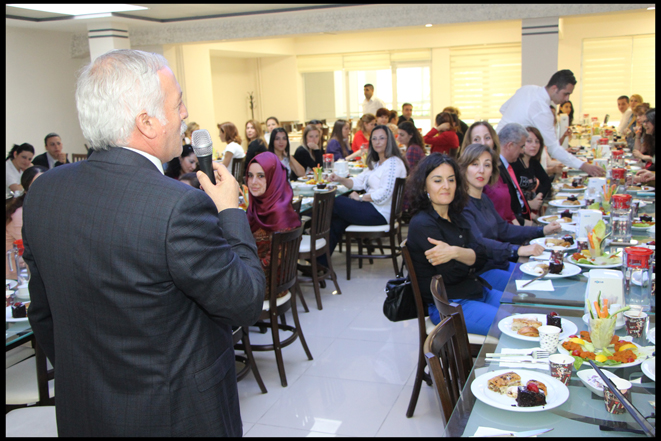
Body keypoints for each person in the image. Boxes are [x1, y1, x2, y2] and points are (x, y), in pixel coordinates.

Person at [21, 49, 265, 437]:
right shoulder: (178, 206)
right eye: (178, 102)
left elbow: (43, 315)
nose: (186, 113)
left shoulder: (44, 193)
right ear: (147, 122)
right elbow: (247, 300)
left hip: (85, 411)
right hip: (176, 417)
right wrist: (230, 211)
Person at [405, 153, 502, 334]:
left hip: (475, 290)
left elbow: (482, 255)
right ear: (424, 185)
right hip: (450, 304)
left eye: (451, 180)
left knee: (524, 310)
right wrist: (469, 255)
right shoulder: (423, 224)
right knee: (514, 325)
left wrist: (456, 252)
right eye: (437, 180)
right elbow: (452, 274)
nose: (446, 186)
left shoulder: (456, 214)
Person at [457, 143, 561, 292]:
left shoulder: (484, 199)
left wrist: (542, 230)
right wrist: (518, 250)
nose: (481, 170)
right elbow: (478, 242)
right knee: (537, 289)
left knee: (546, 278)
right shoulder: (462, 205)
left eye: (487, 165)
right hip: (482, 273)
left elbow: (503, 229)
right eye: (475, 164)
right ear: (464, 168)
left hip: (498, 264)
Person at [321, 125, 408, 266]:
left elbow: (384, 194)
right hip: (372, 208)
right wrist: (340, 179)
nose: (377, 142)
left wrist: (360, 198)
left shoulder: (393, 163)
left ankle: (311, 238)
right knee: (338, 220)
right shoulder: (377, 163)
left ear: (389, 141)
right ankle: (321, 263)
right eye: (374, 138)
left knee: (334, 202)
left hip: (380, 213)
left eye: (381, 138)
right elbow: (358, 182)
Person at [497, 69, 605, 177]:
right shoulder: (543, 111)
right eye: (566, 94)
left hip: (497, 144)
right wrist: (585, 166)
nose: (567, 99)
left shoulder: (527, 89)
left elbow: (503, 109)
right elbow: (554, 149)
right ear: (554, 88)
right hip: (507, 154)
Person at [246, 152, 302, 299]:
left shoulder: (279, 213)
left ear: (273, 178)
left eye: (261, 176)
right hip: (256, 275)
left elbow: (274, 260)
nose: (253, 182)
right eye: (250, 176)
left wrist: (243, 272)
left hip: (267, 284)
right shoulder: (256, 207)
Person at [484, 123, 532, 226]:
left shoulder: (509, 164)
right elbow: (504, 209)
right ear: (510, 145)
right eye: (522, 146)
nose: (523, 151)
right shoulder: (495, 169)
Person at [6, 165, 46, 278]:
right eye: (36, 186)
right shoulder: (20, 213)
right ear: (26, 191)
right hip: (14, 277)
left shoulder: (42, 209)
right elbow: (30, 250)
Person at [510, 126, 553, 212]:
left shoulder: (533, 162)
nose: (534, 145)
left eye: (537, 142)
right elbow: (511, 195)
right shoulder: (515, 163)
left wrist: (538, 197)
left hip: (529, 211)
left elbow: (546, 182)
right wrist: (528, 204)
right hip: (518, 213)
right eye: (529, 141)